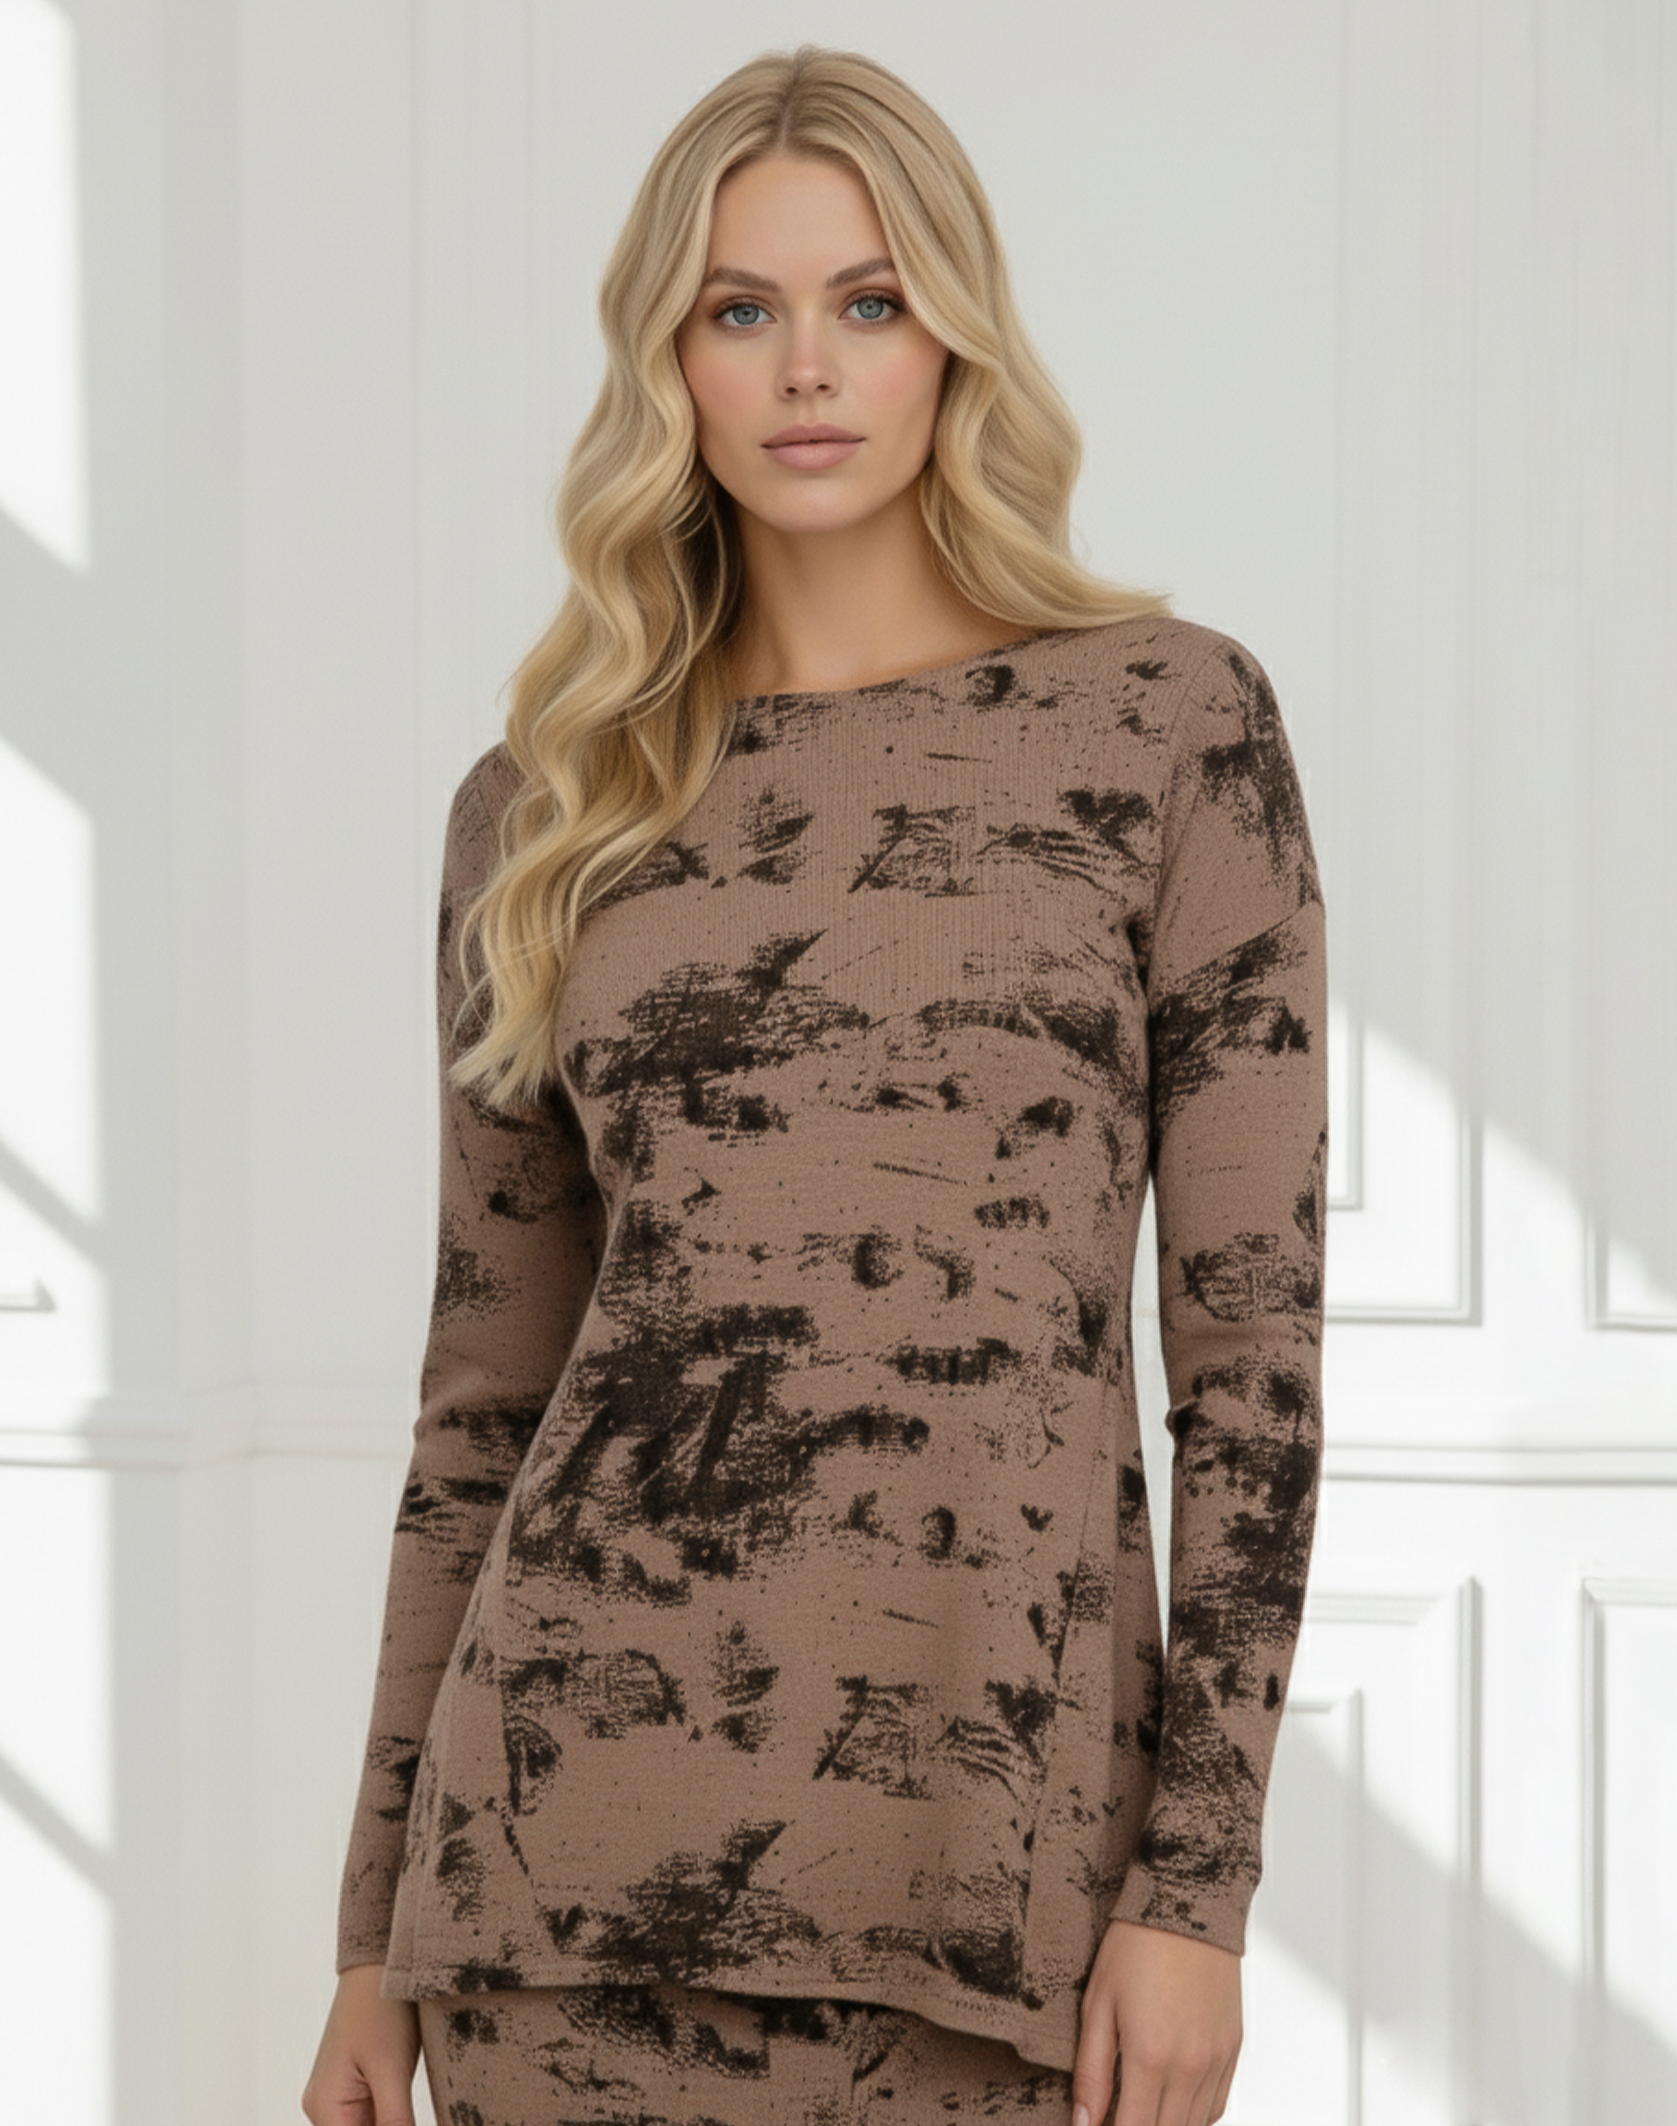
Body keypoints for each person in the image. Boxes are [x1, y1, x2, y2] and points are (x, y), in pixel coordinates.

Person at [302, 41, 1326, 2126]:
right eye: (738, 309)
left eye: (868, 300)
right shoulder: (543, 807)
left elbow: (1252, 1372)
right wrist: (368, 1938)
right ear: (665, 360)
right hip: (546, 1889)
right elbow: (481, 1402)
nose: (806, 367)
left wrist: (1196, 1893)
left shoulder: (1164, 726)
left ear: (954, 336)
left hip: (992, 1889)